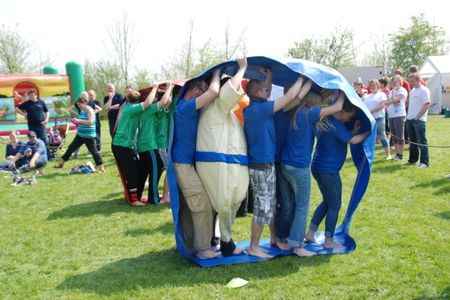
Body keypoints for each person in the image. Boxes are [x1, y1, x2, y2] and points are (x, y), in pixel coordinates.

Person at [243, 69, 305, 259]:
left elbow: (291, 98)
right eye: (264, 90)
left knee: (270, 203)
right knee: (264, 207)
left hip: (264, 163)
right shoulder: (259, 110)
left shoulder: (258, 108)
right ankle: (254, 246)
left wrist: (268, 76)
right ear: (256, 93)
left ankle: (273, 238)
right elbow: (291, 95)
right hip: (261, 165)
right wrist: (303, 77)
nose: (268, 92)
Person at [278, 90, 345, 257]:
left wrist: (325, 92)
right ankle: (298, 246)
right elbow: (338, 107)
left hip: (286, 164)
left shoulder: (297, 111)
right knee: (302, 206)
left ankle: (285, 238)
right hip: (298, 167)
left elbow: (321, 101)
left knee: (292, 205)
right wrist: (342, 90)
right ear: (316, 103)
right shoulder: (310, 113)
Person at [195, 58, 250, 257]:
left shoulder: (221, 109)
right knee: (226, 201)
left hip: (225, 160)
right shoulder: (217, 105)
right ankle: (224, 242)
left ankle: (221, 240)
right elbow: (230, 90)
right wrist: (242, 67)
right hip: (219, 162)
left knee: (230, 200)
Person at [304, 101, 369, 248]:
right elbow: (353, 140)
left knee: (327, 202)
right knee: (335, 204)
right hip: (328, 170)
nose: (348, 120)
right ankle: (328, 241)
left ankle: (310, 233)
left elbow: (340, 138)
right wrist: (369, 131)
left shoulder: (327, 120)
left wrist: (352, 131)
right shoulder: (336, 124)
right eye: (349, 116)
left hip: (319, 167)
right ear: (342, 112)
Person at [172, 70, 220, 259]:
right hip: (183, 164)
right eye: (203, 90)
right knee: (201, 204)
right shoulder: (186, 107)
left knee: (189, 207)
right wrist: (217, 74)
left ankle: (191, 245)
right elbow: (214, 93)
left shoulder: (184, 106)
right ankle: (202, 249)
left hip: (185, 163)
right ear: (197, 91)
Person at [112, 86, 159, 206]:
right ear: (137, 102)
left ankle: (132, 195)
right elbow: (148, 103)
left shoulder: (128, 107)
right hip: (121, 145)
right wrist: (155, 87)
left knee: (137, 169)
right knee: (132, 172)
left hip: (124, 145)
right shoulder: (131, 108)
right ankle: (134, 200)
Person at [137, 84, 173, 204]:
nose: (155, 97)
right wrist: (169, 87)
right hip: (150, 145)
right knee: (155, 171)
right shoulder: (148, 109)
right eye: (154, 96)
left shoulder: (145, 109)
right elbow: (164, 102)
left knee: (144, 172)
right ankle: (154, 198)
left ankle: (137, 195)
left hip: (146, 145)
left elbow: (166, 102)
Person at [54, 97, 105, 172]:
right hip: (80, 135)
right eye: (78, 104)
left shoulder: (89, 110)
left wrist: (79, 121)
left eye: (80, 104)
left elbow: (90, 122)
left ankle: (101, 167)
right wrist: (74, 121)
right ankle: (61, 163)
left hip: (89, 136)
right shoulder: (82, 110)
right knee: (70, 148)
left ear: (85, 103)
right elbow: (81, 121)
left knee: (94, 152)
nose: (79, 106)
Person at [15, 89, 54, 160]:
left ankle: (48, 155)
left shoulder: (41, 102)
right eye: (30, 96)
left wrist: (46, 120)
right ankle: (33, 155)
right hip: (32, 125)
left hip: (41, 125)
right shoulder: (27, 103)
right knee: (32, 141)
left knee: (44, 140)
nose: (31, 97)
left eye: (32, 95)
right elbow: (17, 108)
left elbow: (47, 111)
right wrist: (24, 114)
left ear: (36, 95)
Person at [406, 73, 431, 168]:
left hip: (419, 120)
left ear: (418, 80)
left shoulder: (424, 90)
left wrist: (418, 117)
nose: (411, 82)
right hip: (410, 119)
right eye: (410, 81)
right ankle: (413, 160)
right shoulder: (412, 91)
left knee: (421, 141)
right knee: (412, 141)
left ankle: (424, 162)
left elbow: (427, 104)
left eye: (412, 81)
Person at [363, 79, 391, 159]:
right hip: (370, 120)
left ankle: (388, 154)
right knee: (370, 137)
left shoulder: (381, 94)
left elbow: (382, 105)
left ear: (377, 85)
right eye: (371, 85)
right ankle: (369, 155)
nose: (372, 87)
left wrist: (371, 111)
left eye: (374, 85)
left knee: (382, 136)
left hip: (379, 118)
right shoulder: (367, 96)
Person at [386, 75, 408, 161]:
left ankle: (400, 155)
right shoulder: (392, 91)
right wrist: (391, 101)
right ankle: (397, 154)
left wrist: (390, 102)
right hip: (391, 115)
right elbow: (392, 101)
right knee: (394, 136)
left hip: (399, 115)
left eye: (395, 82)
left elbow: (396, 101)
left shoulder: (402, 90)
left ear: (400, 81)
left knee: (399, 135)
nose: (393, 83)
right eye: (392, 82)